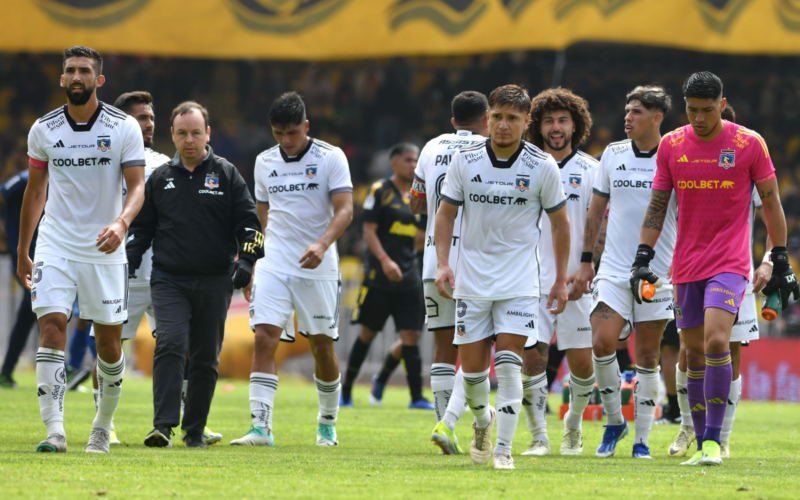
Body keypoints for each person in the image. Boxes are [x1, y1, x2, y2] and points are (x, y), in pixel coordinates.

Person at [647, 85, 789, 465]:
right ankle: (697, 436)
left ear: (723, 105)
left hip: (730, 264)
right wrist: (644, 253)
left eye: (707, 110)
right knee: (691, 354)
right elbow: (658, 205)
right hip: (686, 265)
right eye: (692, 109)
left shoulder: (749, 143)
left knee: (716, 343)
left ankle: (713, 441)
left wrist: (778, 256)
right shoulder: (672, 145)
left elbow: (771, 203)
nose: (699, 118)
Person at [435, 84, 570, 469]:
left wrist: (560, 278)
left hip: (519, 283)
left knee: (510, 365)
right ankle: (483, 420)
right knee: (475, 376)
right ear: (487, 118)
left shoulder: (542, 166)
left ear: (527, 122)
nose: (503, 126)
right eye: (497, 117)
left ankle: (503, 452)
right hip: (472, 282)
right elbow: (445, 215)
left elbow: (560, 225)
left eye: (513, 118)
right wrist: (444, 263)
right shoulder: (465, 160)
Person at [19, 46, 146, 453]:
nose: (77, 77)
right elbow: (35, 191)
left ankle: (101, 425)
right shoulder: (43, 129)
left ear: (98, 79)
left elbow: (137, 186)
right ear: (62, 78)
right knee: (52, 328)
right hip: (55, 244)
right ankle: (55, 431)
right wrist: (25, 247)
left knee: (108, 346)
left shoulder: (124, 126)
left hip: (105, 247)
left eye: (85, 71)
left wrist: (121, 222)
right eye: (70, 70)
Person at [127, 101, 264, 449]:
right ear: (171, 135)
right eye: (183, 133)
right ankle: (162, 426)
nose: (190, 140)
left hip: (215, 280)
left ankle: (194, 432)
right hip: (169, 278)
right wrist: (128, 261)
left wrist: (246, 262)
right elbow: (143, 230)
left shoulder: (228, 174)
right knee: (171, 342)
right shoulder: (160, 178)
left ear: (208, 134)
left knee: (205, 357)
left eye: (196, 133)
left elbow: (251, 225)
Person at [231, 92, 353, 447]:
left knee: (321, 346)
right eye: (279, 133)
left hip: (318, 265)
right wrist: (253, 263)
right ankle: (261, 428)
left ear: (306, 126)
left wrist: (322, 243)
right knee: (264, 337)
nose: (286, 140)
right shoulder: (264, 161)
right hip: (276, 263)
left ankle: (327, 424)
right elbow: (261, 216)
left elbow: (345, 210)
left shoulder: (331, 157)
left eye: (293, 133)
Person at [574, 85, 677, 459]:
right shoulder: (613, 154)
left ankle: (642, 441)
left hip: (656, 272)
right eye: (627, 110)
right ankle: (615, 422)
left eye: (636, 111)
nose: (627, 117)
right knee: (601, 342)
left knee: (648, 357)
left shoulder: (676, 154)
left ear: (656, 117)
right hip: (614, 270)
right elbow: (596, 210)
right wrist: (587, 261)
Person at [518, 87, 599, 457]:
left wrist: (589, 267)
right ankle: (539, 438)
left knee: (583, 366)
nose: (555, 127)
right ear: (537, 125)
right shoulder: (527, 164)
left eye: (563, 120)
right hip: (530, 281)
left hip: (577, 284)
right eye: (548, 120)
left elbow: (600, 228)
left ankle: (573, 424)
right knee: (532, 359)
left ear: (575, 125)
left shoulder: (592, 170)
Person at [410, 90, 489, 455]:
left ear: (453, 120)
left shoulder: (429, 147)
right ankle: (463, 422)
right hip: (478, 262)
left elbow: (415, 201)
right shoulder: (492, 149)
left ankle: (444, 423)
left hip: (435, 259)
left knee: (443, 345)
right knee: (480, 347)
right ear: (487, 117)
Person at [344, 143, 432, 411]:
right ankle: (345, 392)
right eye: (408, 160)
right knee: (369, 333)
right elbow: (368, 231)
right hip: (379, 276)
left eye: (416, 160)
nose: (414, 165)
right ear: (393, 163)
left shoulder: (421, 197)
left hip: (410, 275)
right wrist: (385, 260)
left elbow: (421, 235)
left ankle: (414, 396)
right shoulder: (379, 191)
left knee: (411, 336)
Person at [0, 168, 39, 389]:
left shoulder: (58, 177)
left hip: (44, 256)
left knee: (29, 310)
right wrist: (4, 236)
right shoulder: (24, 177)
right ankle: (61, 369)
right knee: (42, 305)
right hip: (22, 256)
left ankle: (6, 372)